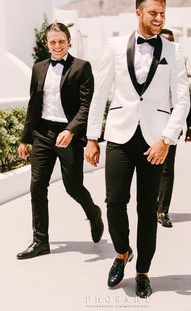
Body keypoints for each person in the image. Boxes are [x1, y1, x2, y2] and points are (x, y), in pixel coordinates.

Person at [85, 0, 190, 298]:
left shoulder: (174, 51)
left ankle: (143, 270)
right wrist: (92, 138)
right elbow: (100, 93)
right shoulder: (115, 46)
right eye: (153, 13)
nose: (159, 18)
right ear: (139, 14)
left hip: (154, 142)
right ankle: (121, 252)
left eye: (162, 14)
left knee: (147, 209)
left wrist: (167, 140)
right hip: (119, 135)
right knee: (114, 202)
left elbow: (181, 101)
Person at [17, 22, 104, 260]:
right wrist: (25, 139)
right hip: (42, 134)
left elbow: (87, 105)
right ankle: (40, 241)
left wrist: (72, 130)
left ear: (69, 42)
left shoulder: (82, 67)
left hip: (68, 135)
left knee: (73, 186)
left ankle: (94, 213)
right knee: (37, 186)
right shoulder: (38, 68)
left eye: (61, 41)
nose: (57, 46)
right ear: (47, 43)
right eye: (52, 42)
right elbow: (33, 105)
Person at [157, 29, 191, 228]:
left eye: (172, 41)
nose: (169, 45)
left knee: (166, 169)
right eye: (165, 41)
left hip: (172, 122)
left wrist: (190, 124)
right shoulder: (147, 60)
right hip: (148, 122)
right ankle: (149, 206)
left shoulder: (178, 61)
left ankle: (162, 211)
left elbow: (185, 95)